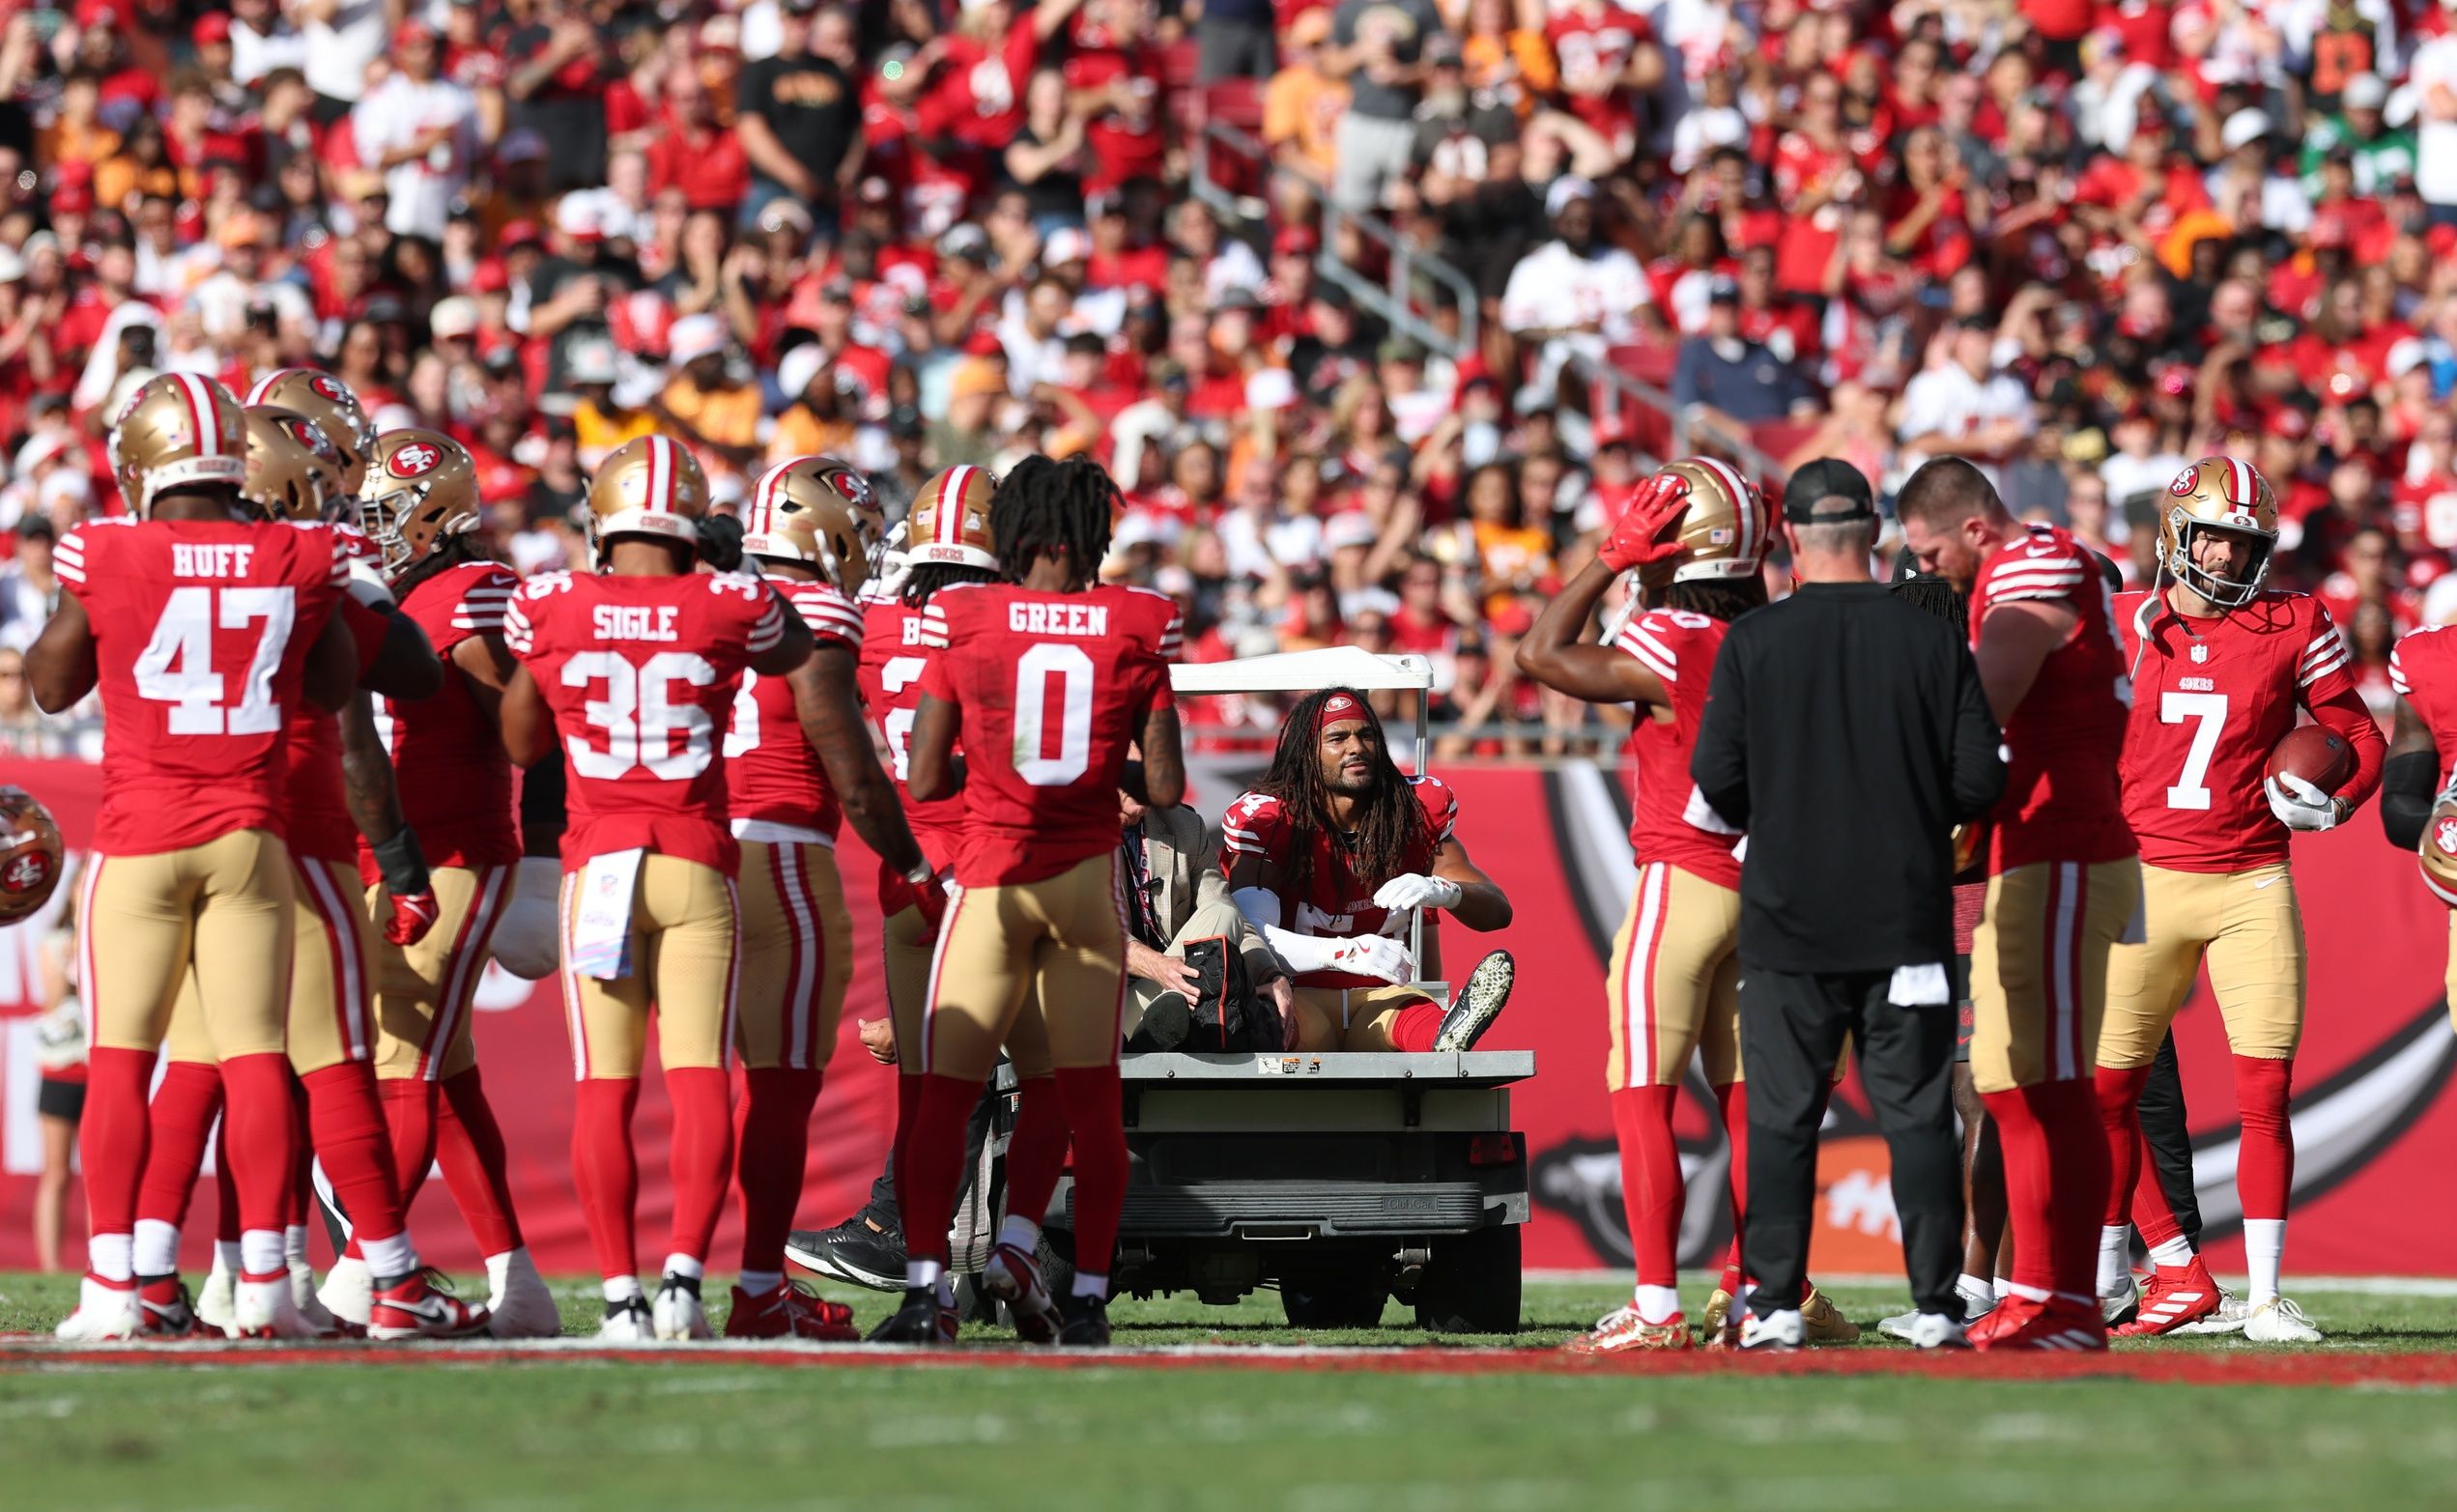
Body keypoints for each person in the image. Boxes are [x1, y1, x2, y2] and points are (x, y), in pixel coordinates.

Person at [130, 401, 479, 1344]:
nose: (346, 496)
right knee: (329, 1064)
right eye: (329, 475)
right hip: (292, 823)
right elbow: (408, 678)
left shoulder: (139, 550)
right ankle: (379, 1275)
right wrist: (353, 580)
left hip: (173, 820)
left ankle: (159, 1273)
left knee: (199, 1065)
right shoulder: (305, 558)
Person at [24, 374, 360, 1340]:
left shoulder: (107, 546)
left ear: (141, 466)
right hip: (249, 837)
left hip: (138, 840)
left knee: (123, 1062)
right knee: (257, 1058)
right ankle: (265, 1286)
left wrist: (92, 599)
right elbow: (333, 683)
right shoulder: (298, 552)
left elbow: (49, 685)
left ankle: (113, 1287)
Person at [1518, 456, 1846, 1351]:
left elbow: (1539, 652)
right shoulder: (1780, 635)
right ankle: (1754, 1289)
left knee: (1642, 1091)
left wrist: (1607, 560)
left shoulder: (1670, 637)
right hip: (1776, 893)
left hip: (1686, 876)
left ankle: (1658, 1304)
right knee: (1750, 1102)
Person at [500, 435, 815, 1342]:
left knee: (604, 1088)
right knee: (699, 1081)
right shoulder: (729, 598)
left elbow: (522, 745)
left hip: (598, 862)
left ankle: (620, 1298)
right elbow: (792, 651)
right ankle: (682, 1278)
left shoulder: (551, 601)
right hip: (693, 858)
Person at [1691, 457, 2005, 1353]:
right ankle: (1941, 1303)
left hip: (1789, 920)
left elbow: (1714, 785)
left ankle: (1776, 1298)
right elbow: (1980, 777)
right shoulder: (1931, 639)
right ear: (1874, 533)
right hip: (1903, 916)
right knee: (1915, 1115)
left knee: (1783, 1113)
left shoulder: (1754, 642)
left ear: (1789, 537)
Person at [874, 455, 1185, 1348]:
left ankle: (926, 1293)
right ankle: (1085, 1299)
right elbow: (1162, 783)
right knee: (1088, 1100)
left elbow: (927, 773)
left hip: (993, 882)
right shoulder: (1136, 620)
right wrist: (1089, 768)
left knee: (940, 1099)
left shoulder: (965, 615)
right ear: (1094, 535)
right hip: (1086, 890)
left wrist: (1006, 767)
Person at [2097, 457, 2383, 1342]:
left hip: (2252, 876)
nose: (2225, 555)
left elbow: (2356, 732)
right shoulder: (2122, 624)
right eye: (2214, 534)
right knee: (2106, 1090)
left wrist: (2336, 797)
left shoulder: (2293, 621)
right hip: (2143, 875)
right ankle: (2159, 1266)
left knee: (2265, 1088)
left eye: (2243, 541)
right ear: (2176, 531)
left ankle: (2261, 1295)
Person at [1896, 454, 2139, 1352]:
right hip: (2029, 850)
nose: (1922, 573)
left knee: (2053, 1083)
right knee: (2006, 1082)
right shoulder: (2004, 571)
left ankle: (2063, 1297)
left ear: (1971, 528)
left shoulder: (2033, 562)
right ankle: (2038, 1290)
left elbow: (1979, 703)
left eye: (1926, 554)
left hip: (2067, 845)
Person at [351, 427, 558, 1339]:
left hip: (451, 856)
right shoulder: (411, 593)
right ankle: (519, 1286)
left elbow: (534, 726)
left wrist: (545, 853)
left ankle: (366, 1278)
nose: (373, 531)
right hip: (406, 854)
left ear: (437, 514)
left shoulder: (472, 591)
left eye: (387, 514)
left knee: (402, 1071)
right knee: (447, 1077)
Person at [721, 455, 930, 1339]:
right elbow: (857, 770)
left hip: (672, 850)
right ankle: (757, 1288)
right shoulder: (830, 611)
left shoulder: (707, 596)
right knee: (779, 1086)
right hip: (784, 857)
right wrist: (912, 863)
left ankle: (647, 1286)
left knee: (679, 1081)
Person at [786, 465, 1004, 1298]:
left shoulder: (870, 620)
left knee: (940, 1073)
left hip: (908, 875)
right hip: (994, 866)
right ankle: (933, 1239)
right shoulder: (1011, 621)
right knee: (1038, 1075)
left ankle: (915, 1250)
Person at [1221, 691, 1516, 1056]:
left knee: (1409, 1018)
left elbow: (1498, 911)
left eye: (1366, 735)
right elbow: (1251, 933)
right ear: (1306, 752)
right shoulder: (1273, 820)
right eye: (1337, 738)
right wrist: (1345, 952)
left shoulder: (1412, 812)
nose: (1356, 747)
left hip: (1383, 996)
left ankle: (1444, 1034)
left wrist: (1445, 891)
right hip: (1299, 993)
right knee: (1281, 1021)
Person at [1117, 773, 1292, 1050]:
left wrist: (1271, 976)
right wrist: (1159, 966)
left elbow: (1233, 920)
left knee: (1222, 912)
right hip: (1094, 1007)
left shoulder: (1185, 826)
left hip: (1170, 994)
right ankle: (1156, 1032)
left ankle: (1157, 1031)